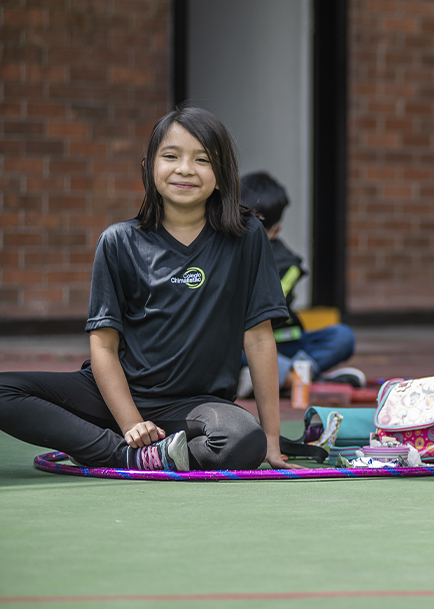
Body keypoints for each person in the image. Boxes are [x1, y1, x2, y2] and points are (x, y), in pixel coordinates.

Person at [0, 106, 299, 471]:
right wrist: (130, 424)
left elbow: (258, 338)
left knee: (243, 440)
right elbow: (104, 346)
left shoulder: (247, 236)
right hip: (112, 397)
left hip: (193, 406)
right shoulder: (118, 241)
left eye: (202, 159)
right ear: (149, 168)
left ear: (221, 176)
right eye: (171, 156)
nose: (185, 169)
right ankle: (121, 453)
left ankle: (121, 450)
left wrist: (270, 438)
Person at [236, 171, 364, 398]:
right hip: (245, 344)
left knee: (342, 337)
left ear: (276, 231)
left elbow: (266, 307)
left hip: (281, 341)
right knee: (225, 345)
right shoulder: (222, 249)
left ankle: (281, 377)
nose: (250, 232)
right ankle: (297, 378)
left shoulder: (288, 263)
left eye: (259, 227)